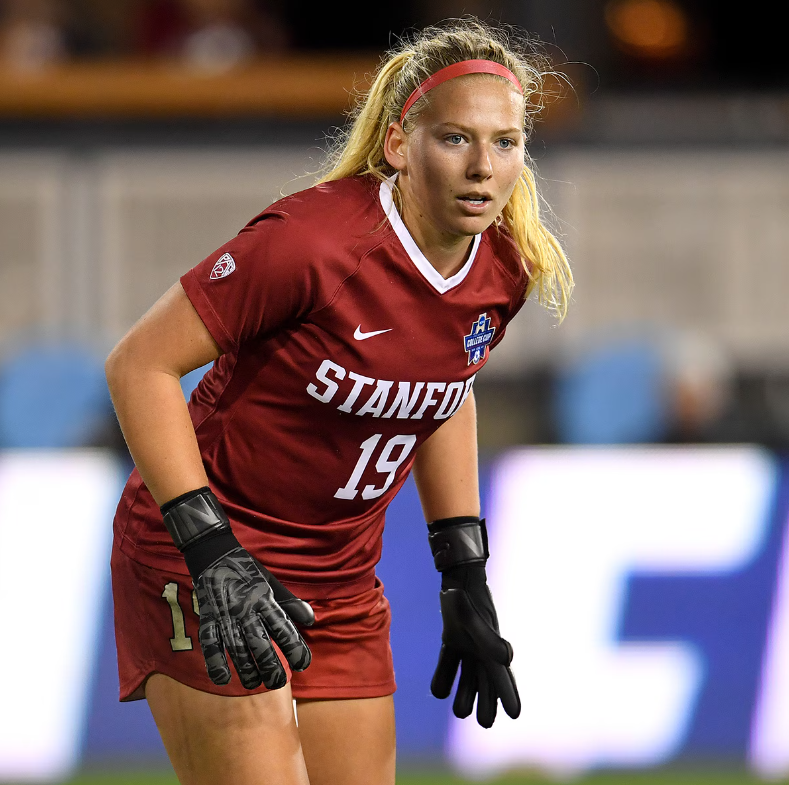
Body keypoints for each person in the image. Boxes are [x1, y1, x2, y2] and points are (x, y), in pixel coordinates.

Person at [105, 16, 573, 785]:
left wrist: (464, 570)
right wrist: (211, 549)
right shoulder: (311, 243)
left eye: (506, 142)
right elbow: (139, 366)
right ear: (399, 144)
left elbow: (444, 389)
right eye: (455, 139)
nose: (482, 167)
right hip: (208, 555)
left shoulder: (505, 266)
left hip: (343, 580)